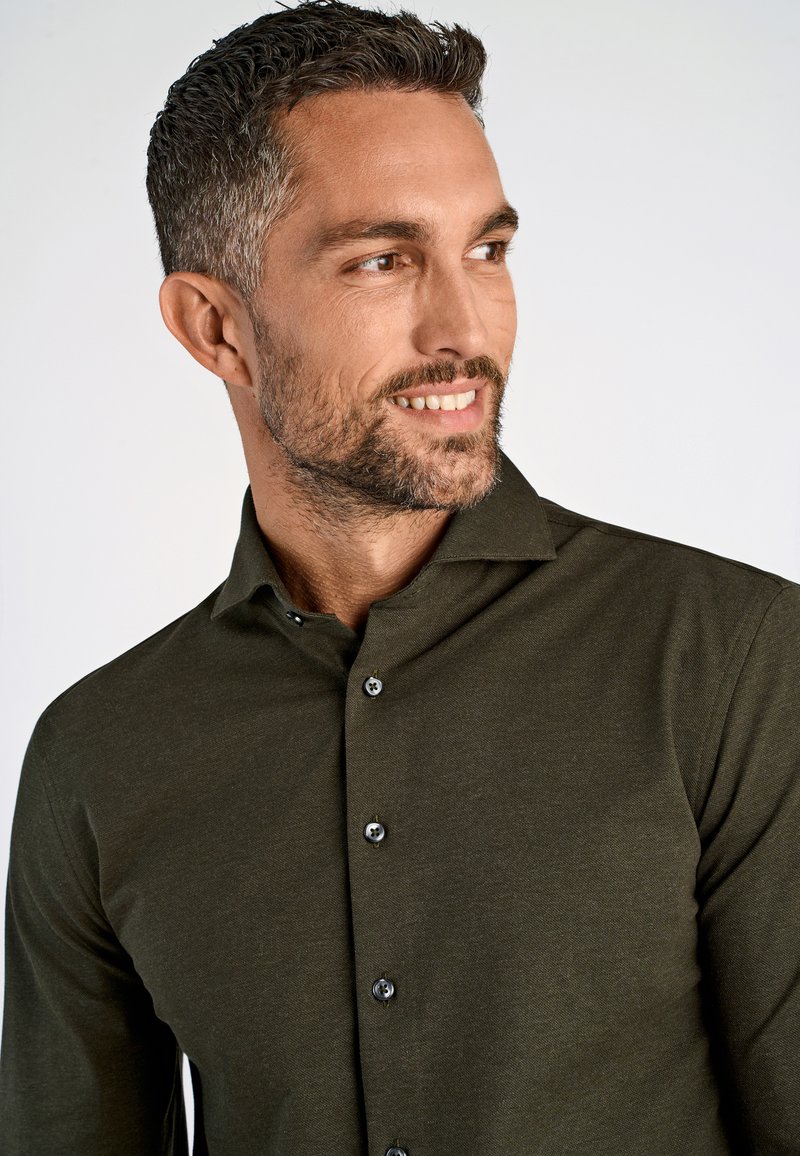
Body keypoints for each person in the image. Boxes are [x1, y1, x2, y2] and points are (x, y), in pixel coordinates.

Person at [1, 1, 798, 1152]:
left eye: (487, 250)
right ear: (215, 327)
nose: (464, 327)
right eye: (383, 260)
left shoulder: (732, 660)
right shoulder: (95, 755)